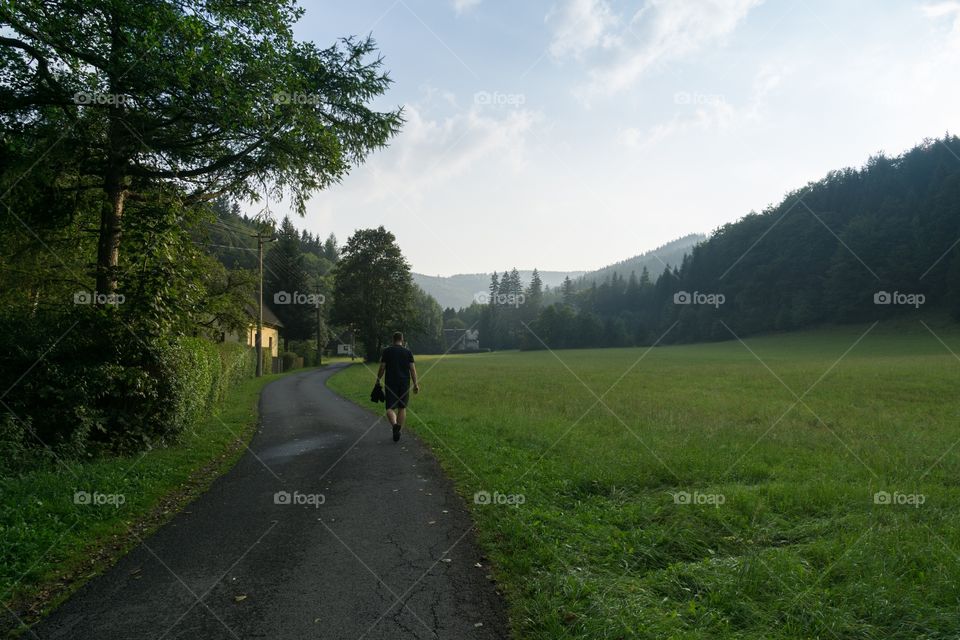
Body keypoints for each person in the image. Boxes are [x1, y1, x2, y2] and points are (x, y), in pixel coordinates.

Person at [376, 331, 419, 442]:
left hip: (390, 382)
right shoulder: (408, 352)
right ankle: (398, 430)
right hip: (404, 383)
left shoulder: (387, 351)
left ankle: (395, 426)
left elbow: (382, 367)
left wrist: (378, 380)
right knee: (402, 407)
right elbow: (412, 370)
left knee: (389, 408)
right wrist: (415, 384)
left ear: (393, 340)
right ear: (402, 340)